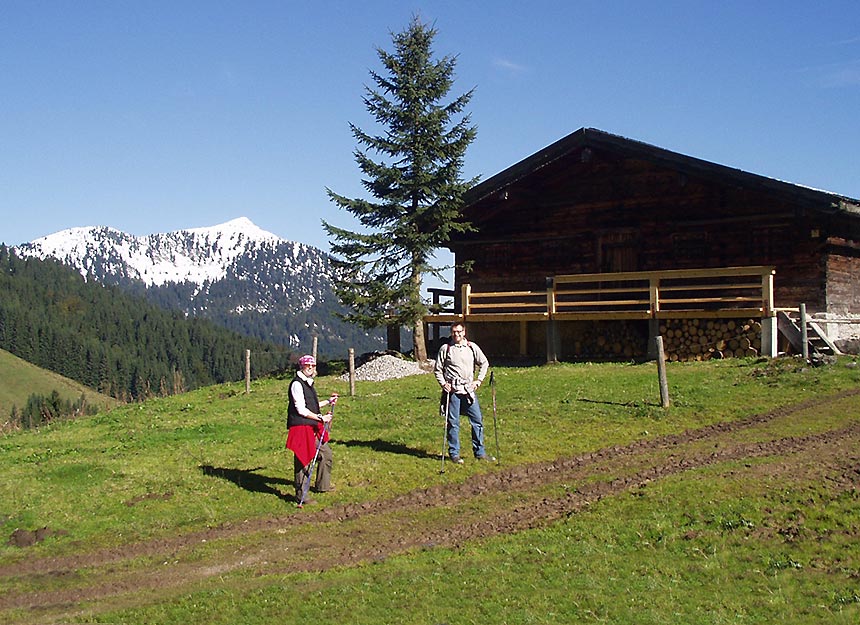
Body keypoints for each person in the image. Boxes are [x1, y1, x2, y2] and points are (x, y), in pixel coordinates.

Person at [434, 322, 494, 463]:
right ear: (451, 333)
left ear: (464, 332)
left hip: (469, 390)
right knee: (453, 423)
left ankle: (480, 452)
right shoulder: (446, 349)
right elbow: (438, 369)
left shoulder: (472, 347)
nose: (457, 334)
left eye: (459, 332)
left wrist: (478, 381)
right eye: (454, 332)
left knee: (477, 421)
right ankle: (454, 454)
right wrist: (443, 384)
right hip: (453, 391)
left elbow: (484, 363)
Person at [286, 354, 338, 505]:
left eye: (313, 366)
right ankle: (301, 495)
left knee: (326, 453)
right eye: (308, 366)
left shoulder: (308, 383)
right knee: (303, 459)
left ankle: (323, 486)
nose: (311, 368)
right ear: (302, 366)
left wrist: (328, 401)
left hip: (311, 425)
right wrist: (321, 418)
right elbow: (301, 410)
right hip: (301, 426)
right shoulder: (296, 384)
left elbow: (311, 406)